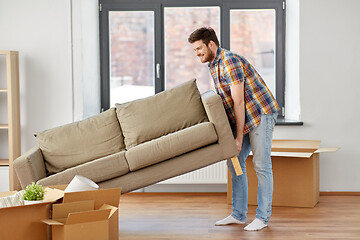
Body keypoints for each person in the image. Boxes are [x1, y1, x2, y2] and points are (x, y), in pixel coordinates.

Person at [188, 27, 280, 231]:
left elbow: (238, 102)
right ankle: (238, 215)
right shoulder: (213, 65)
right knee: (235, 160)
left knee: (261, 164)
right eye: (194, 50)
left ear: (211, 44)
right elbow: (227, 103)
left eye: (199, 48)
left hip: (260, 113)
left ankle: (263, 218)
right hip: (244, 116)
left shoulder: (229, 61)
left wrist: (238, 137)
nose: (197, 54)